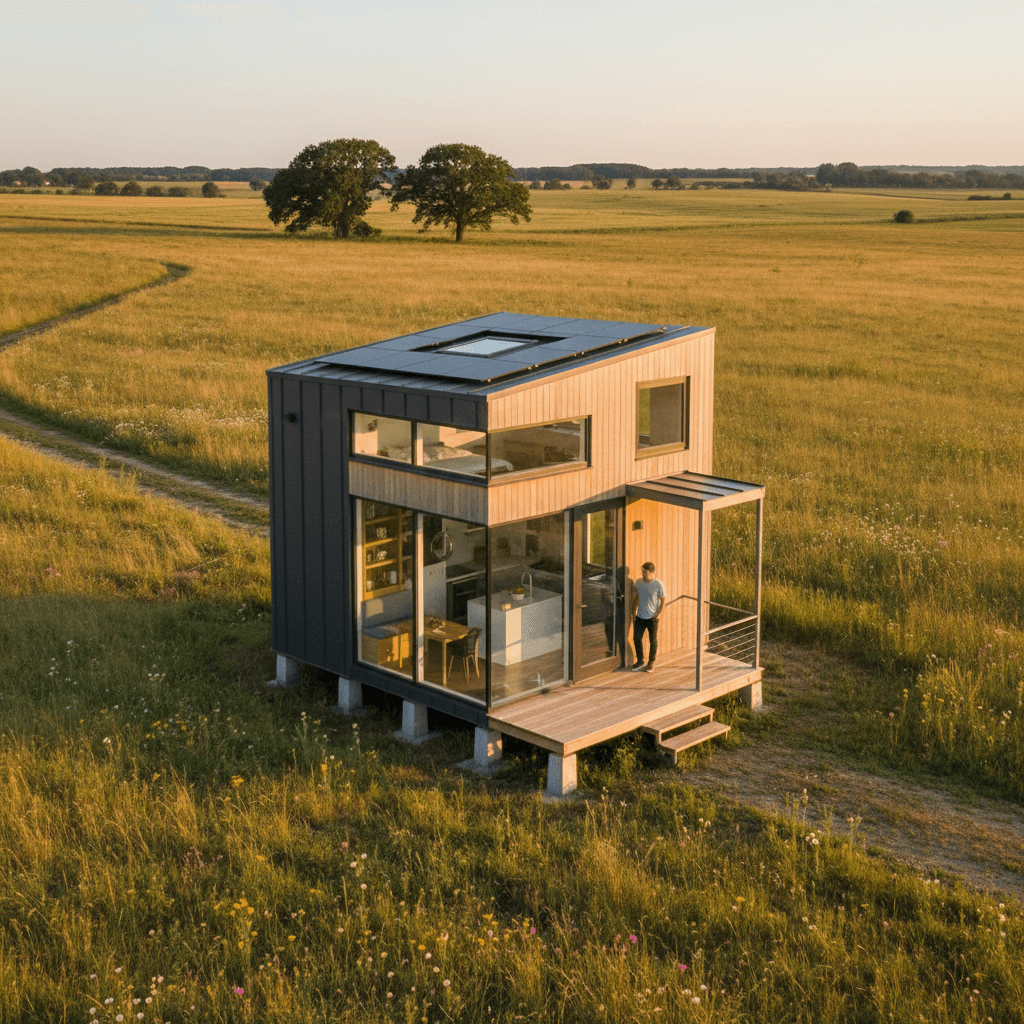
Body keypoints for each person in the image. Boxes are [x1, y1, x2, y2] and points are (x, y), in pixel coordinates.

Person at [630, 561, 664, 672]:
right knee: (636, 638)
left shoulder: (658, 584)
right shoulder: (639, 582)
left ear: (652, 572)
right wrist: (633, 609)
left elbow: (663, 599)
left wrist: (658, 613)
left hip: (652, 618)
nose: (643, 574)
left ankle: (651, 662)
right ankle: (640, 660)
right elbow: (636, 596)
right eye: (642, 571)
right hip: (640, 616)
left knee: (652, 641)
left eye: (645, 572)